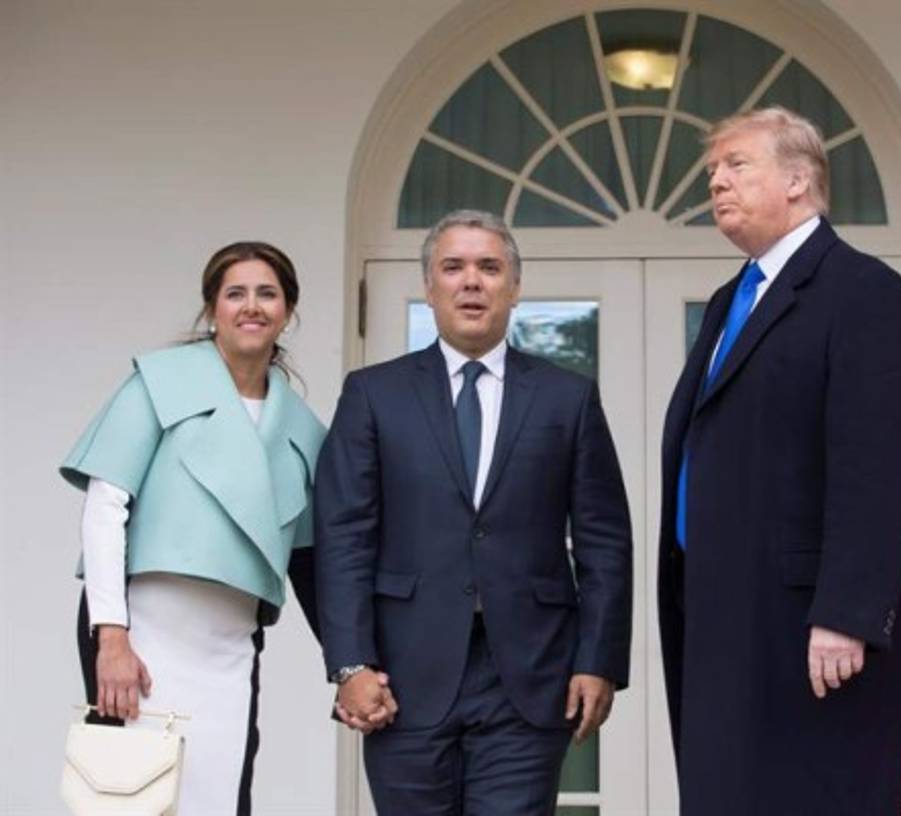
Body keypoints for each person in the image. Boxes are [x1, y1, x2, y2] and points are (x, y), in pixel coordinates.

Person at [314, 209, 633, 814]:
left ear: (514, 288)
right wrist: (349, 663)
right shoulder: (372, 395)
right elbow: (343, 536)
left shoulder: (568, 398)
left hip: (529, 675)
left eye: (490, 268)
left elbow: (604, 540)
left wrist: (600, 660)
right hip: (403, 676)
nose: (471, 281)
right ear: (429, 287)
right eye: (453, 267)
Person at [657, 106, 901, 814]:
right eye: (712, 170)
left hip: (813, 624)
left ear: (800, 179)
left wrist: (848, 609)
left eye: (737, 165)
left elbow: (884, 462)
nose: (716, 181)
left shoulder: (862, 290)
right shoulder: (727, 302)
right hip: (720, 614)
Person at [60, 241, 326, 815]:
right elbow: (106, 508)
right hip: (140, 636)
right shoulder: (158, 382)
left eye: (266, 293)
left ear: (288, 311)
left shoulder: (303, 431)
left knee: (222, 799)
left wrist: (351, 664)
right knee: (127, 797)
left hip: (230, 646)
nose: (251, 306)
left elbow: (310, 564)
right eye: (235, 293)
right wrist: (111, 637)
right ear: (212, 309)